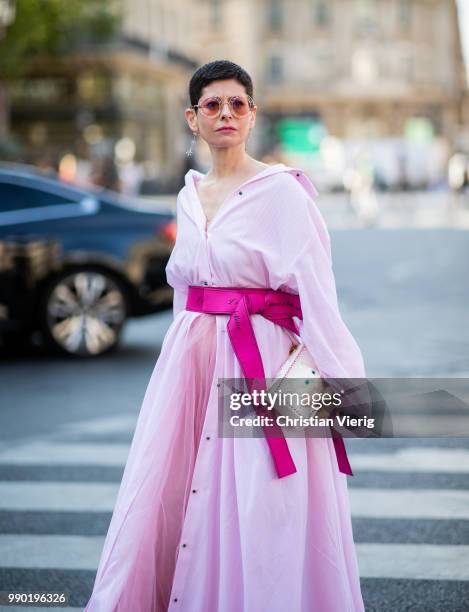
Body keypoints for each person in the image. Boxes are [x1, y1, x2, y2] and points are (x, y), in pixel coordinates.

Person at [84, 59, 366, 612]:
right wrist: (178, 363)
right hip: (189, 365)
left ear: (253, 114)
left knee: (260, 502)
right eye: (213, 105)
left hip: (259, 360)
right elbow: (187, 292)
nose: (226, 114)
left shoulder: (283, 193)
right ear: (193, 119)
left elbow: (316, 294)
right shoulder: (189, 196)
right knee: (173, 490)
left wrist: (344, 389)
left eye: (237, 103)